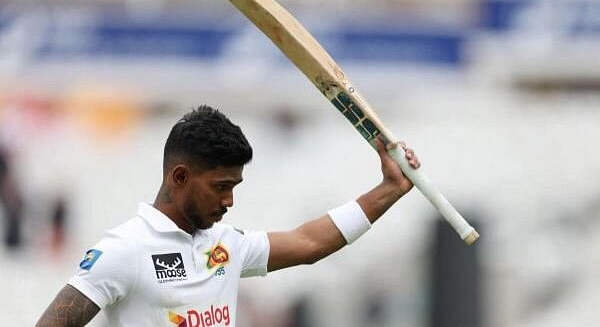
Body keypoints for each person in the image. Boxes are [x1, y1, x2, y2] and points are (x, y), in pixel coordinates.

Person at [36, 105, 420, 327]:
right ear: (180, 177)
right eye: (221, 186)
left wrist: (388, 189)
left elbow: (310, 243)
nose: (229, 201)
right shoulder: (123, 251)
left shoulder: (226, 246)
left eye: (234, 187)